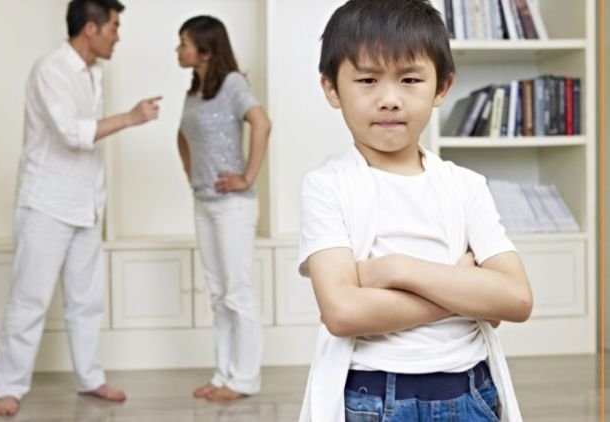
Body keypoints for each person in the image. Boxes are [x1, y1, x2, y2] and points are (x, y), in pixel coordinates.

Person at [297, 1, 533, 420]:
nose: (389, 99)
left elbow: (515, 299)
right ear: (332, 89)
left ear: (441, 87)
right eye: (367, 80)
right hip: (372, 399)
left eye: (410, 79)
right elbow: (343, 312)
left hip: (472, 393)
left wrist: (396, 270)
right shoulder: (327, 187)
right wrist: (464, 290)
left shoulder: (465, 186)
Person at [0, 0, 162, 416]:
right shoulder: (50, 69)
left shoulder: (94, 72)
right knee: (29, 300)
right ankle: (9, 386)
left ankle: (90, 378)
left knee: (86, 302)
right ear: (91, 28)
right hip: (45, 204)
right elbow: (71, 134)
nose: (118, 36)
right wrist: (131, 118)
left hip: (85, 205)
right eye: (114, 26)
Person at [176, 15, 271, 402]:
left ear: (207, 48)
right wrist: (191, 173)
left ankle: (245, 380)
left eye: (183, 43)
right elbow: (182, 136)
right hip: (204, 203)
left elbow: (262, 123)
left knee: (238, 293)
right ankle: (223, 374)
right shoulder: (194, 91)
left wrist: (247, 177)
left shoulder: (233, 84)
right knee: (218, 295)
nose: (178, 50)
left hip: (233, 205)